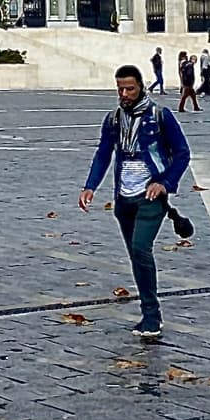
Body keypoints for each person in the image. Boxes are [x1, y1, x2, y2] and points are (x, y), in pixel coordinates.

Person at [79, 64, 191, 340]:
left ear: (141, 86)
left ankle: (152, 314)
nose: (124, 94)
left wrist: (164, 183)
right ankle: (148, 312)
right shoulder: (114, 119)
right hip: (123, 197)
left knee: (141, 248)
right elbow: (103, 153)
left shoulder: (160, 115)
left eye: (130, 88)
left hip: (151, 195)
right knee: (135, 256)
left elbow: (182, 153)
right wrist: (90, 186)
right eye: (120, 89)